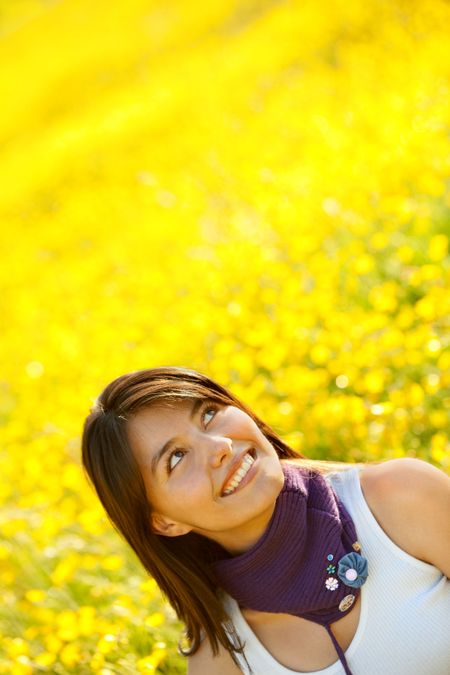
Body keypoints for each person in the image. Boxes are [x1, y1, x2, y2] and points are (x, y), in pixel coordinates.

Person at [81, 366, 450, 675]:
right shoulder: (221, 659)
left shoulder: (402, 496)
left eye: (208, 414)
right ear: (163, 522)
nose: (220, 446)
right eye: (176, 457)